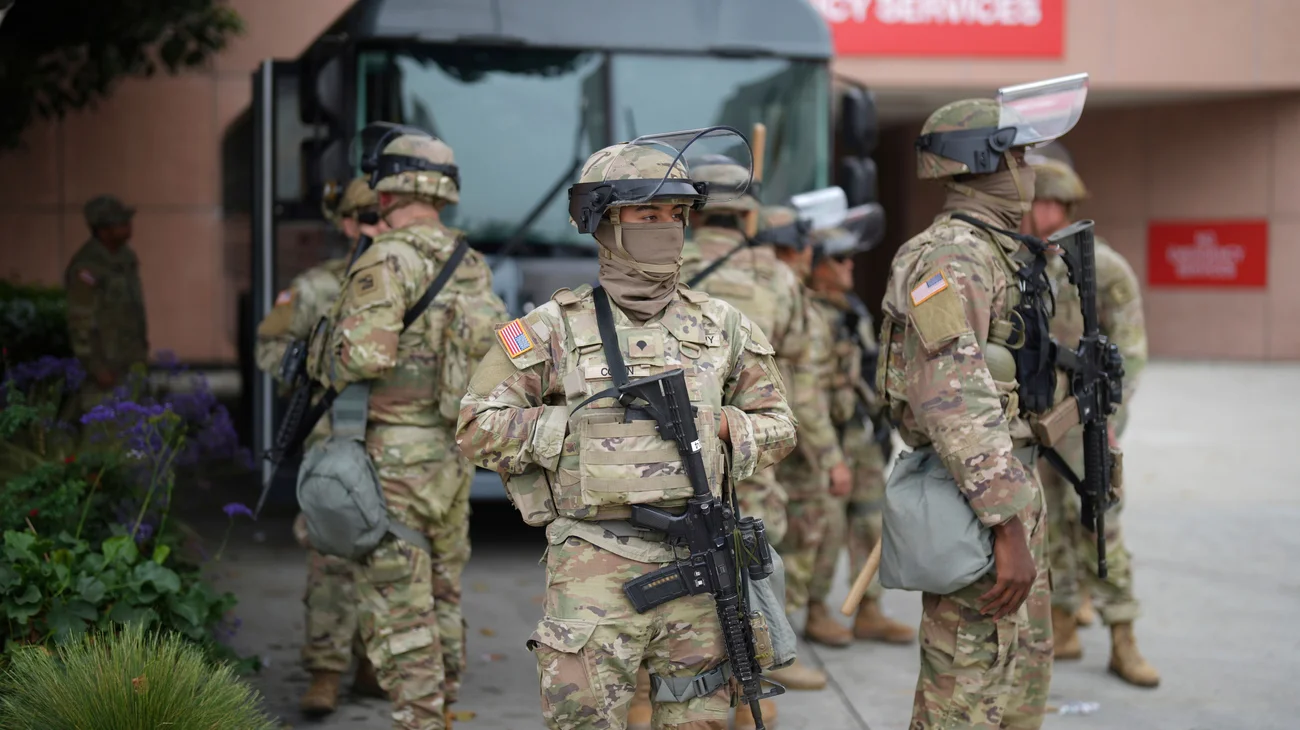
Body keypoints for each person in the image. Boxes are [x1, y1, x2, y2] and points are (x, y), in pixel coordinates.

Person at [455, 129, 797, 730]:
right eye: (647, 211)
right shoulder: (551, 327)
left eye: (676, 212)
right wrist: (578, 434)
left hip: (697, 565)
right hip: (594, 563)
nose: (665, 225)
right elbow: (476, 426)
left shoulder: (722, 325)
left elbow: (780, 425)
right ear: (605, 220)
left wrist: (724, 427)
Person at [877, 86, 1087, 729]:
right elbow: (951, 399)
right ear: (986, 161)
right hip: (976, 498)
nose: (1028, 171)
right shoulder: (951, 257)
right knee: (965, 697)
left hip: (1008, 485)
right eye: (1019, 155)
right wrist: (1006, 525)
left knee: (1018, 684)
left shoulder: (998, 250)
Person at [308, 128, 507, 730]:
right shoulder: (469, 262)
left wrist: (319, 356)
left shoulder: (385, 258)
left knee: (399, 602)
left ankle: (418, 719)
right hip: (451, 455)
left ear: (387, 186)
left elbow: (365, 357)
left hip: (394, 459)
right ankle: (442, 709)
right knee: (444, 592)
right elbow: (506, 347)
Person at [254, 175, 390, 714]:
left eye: (381, 218)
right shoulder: (315, 287)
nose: (373, 229)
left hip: (398, 441)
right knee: (331, 555)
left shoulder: (419, 280)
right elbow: (271, 348)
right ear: (344, 223)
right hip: (333, 439)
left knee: (391, 557)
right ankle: (326, 670)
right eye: (364, 219)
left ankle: (374, 664)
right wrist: (315, 364)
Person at [1024, 156, 1159, 688]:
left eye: (1055, 204)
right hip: (1041, 419)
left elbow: (1133, 349)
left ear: (1070, 207)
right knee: (1048, 523)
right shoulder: (1027, 263)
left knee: (1100, 521)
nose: (1046, 213)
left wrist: (1110, 417)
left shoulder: (1104, 267)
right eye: (1039, 202)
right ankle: (1061, 621)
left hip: (1086, 419)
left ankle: (1122, 634)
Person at [804, 223, 915, 646]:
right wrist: (828, 454)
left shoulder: (850, 308)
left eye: (851, 257)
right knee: (826, 528)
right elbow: (807, 390)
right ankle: (816, 609)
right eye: (838, 258)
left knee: (870, 520)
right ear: (816, 266)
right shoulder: (806, 313)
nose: (850, 265)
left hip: (861, 433)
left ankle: (869, 608)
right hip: (826, 439)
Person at [762, 207, 859, 657]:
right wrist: (830, 457)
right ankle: (774, 648)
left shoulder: (777, 296)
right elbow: (806, 392)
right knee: (794, 544)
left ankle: (781, 637)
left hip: (769, 440)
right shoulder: (787, 299)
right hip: (789, 445)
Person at [65, 195, 148, 408]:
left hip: (131, 362)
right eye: (120, 223)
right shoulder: (87, 267)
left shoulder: (126, 258)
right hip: (106, 369)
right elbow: (80, 320)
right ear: (102, 231)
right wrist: (96, 367)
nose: (128, 227)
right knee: (104, 431)